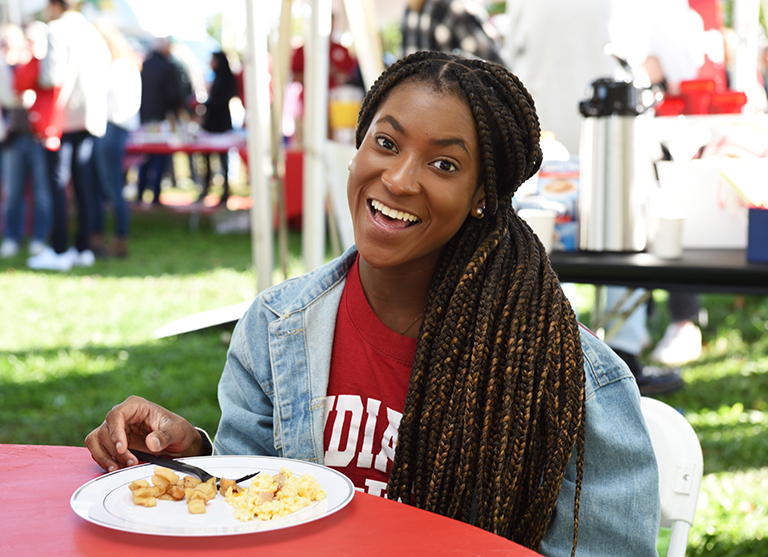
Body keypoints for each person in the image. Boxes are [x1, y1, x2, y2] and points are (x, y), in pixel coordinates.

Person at [84, 52, 660, 556]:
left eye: (444, 164)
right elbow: (249, 514)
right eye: (386, 143)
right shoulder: (275, 327)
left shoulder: (571, 379)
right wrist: (194, 456)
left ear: (482, 196)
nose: (400, 179)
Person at [27, 0, 110, 271]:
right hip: (90, 118)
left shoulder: (56, 29)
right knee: (84, 184)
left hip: (62, 119)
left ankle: (60, 249)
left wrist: (30, 76)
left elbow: (51, 76)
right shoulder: (92, 30)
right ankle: (83, 248)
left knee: (58, 185)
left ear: (54, 5)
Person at [0, 23, 52, 259]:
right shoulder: (11, 68)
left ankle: (39, 237)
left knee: (42, 192)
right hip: (15, 137)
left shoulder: (43, 66)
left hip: (39, 136)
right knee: (13, 193)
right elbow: (13, 97)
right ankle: (12, 236)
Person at [91, 22, 141, 258]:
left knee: (111, 189)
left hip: (112, 129)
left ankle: (119, 239)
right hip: (115, 129)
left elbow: (110, 104)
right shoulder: (125, 65)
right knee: (110, 188)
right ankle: (113, 238)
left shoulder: (118, 67)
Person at [136, 37, 183, 205]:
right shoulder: (166, 67)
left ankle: (140, 192)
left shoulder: (146, 66)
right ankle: (155, 195)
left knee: (145, 157)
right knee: (159, 157)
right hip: (162, 120)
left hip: (147, 119)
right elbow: (173, 94)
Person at [401, 0, 505, 65]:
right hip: (439, 95)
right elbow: (494, 62)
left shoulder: (410, 8)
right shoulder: (453, 5)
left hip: (414, 94)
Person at [196, 51, 237, 206]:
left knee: (222, 159)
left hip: (221, 124)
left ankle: (225, 191)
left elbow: (222, 99)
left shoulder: (226, 78)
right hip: (212, 124)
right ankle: (207, 187)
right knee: (207, 158)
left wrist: (207, 104)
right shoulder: (215, 77)